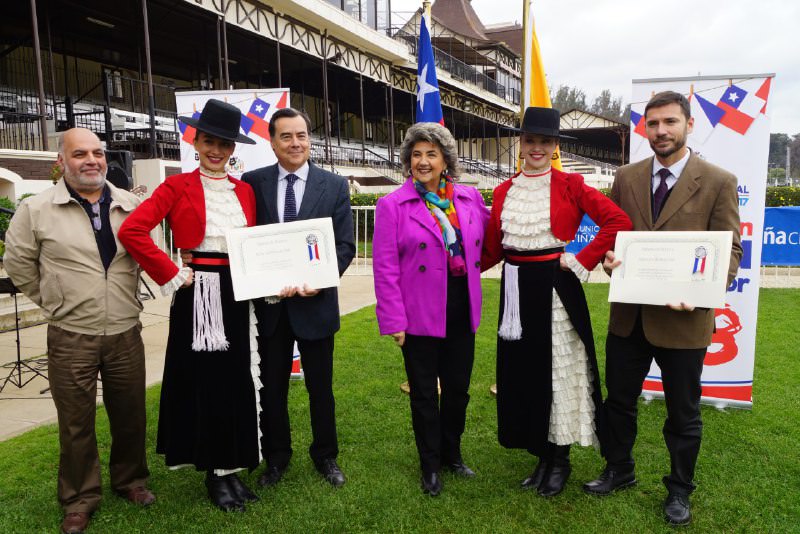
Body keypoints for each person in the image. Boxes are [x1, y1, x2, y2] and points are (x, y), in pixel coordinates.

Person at [583, 91, 742, 526]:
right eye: (652, 124)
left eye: (669, 122)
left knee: (683, 412)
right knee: (618, 403)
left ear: (689, 124)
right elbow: (611, 239)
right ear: (644, 129)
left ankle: (679, 490)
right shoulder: (626, 178)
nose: (661, 131)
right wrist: (608, 259)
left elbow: (731, 250)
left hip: (685, 320)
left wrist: (708, 289)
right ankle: (619, 470)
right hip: (629, 316)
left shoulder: (718, 180)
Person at [4, 128, 154, 534]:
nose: (92, 160)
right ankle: (79, 498)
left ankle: (131, 481)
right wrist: (54, 299)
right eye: (80, 154)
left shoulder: (129, 204)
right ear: (61, 163)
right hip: (71, 333)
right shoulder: (36, 210)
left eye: (98, 153)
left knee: (130, 414)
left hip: (125, 330)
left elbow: (148, 253)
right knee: (75, 423)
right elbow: (18, 264)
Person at [118, 99, 261, 512]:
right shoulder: (176, 186)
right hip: (199, 293)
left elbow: (251, 244)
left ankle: (232, 468)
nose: (216, 150)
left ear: (234, 149)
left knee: (236, 380)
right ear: (195, 141)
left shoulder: (246, 191)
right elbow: (134, 230)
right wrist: (172, 273)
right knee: (207, 383)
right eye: (209, 141)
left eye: (225, 144)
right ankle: (214, 473)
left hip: (238, 293)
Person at [481, 107, 632, 497]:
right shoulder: (503, 191)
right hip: (514, 291)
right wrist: (454, 266)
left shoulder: (571, 185)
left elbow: (618, 221)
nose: (536, 148)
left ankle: (560, 460)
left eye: (544, 142)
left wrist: (582, 259)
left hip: (554, 288)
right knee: (526, 375)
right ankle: (542, 455)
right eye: (530, 140)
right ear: (521, 143)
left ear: (555, 146)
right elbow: (493, 249)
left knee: (559, 373)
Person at [373, 123, 489, 496]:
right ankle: (430, 464)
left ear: (445, 160)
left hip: (461, 310)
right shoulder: (392, 205)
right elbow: (385, 267)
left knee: (458, 391)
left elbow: (491, 243)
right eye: (416, 154)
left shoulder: (469, 199)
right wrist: (394, 320)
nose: (423, 161)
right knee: (424, 394)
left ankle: (452, 453)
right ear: (408, 160)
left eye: (431, 154)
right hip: (418, 315)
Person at [241, 108, 355, 488]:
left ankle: (326, 456)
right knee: (271, 389)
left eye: (302, 135)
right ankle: (276, 458)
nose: (295, 143)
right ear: (272, 142)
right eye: (286, 136)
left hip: (316, 307)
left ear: (310, 139)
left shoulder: (334, 186)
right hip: (271, 309)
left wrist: (322, 281)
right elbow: (245, 242)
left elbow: (344, 246)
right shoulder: (252, 183)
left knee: (320, 389)